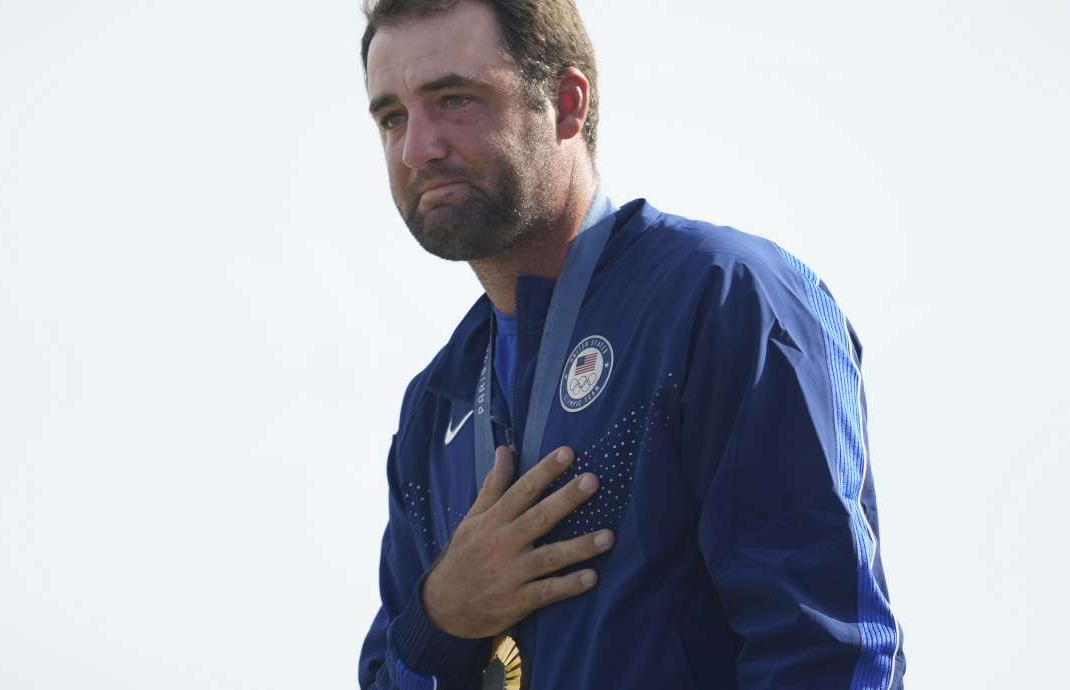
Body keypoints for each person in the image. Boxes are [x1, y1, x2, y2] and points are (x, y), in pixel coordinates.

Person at [356, 1, 905, 688]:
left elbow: (828, 652)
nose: (418, 148)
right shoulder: (435, 404)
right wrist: (439, 618)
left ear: (565, 103)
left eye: (454, 99)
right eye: (392, 117)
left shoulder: (723, 300)